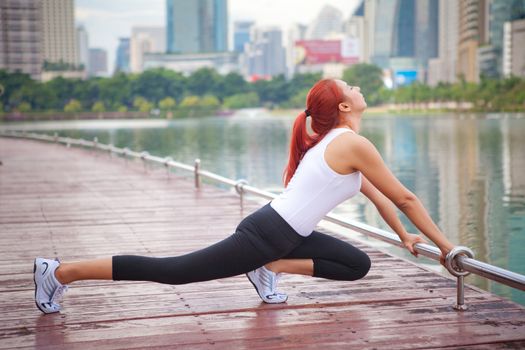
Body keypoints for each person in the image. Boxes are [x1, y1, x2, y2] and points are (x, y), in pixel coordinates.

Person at [34, 79, 455, 314]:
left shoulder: (343, 143)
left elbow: (384, 199)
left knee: (356, 265)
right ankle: (59, 272)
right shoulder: (348, 143)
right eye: (350, 85)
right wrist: (446, 247)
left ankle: (267, 267)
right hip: (267, 232)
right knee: (173, 271)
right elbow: (406, 198)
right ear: (344, 107)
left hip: (286, 235)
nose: (358, 86)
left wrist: (404, 237)